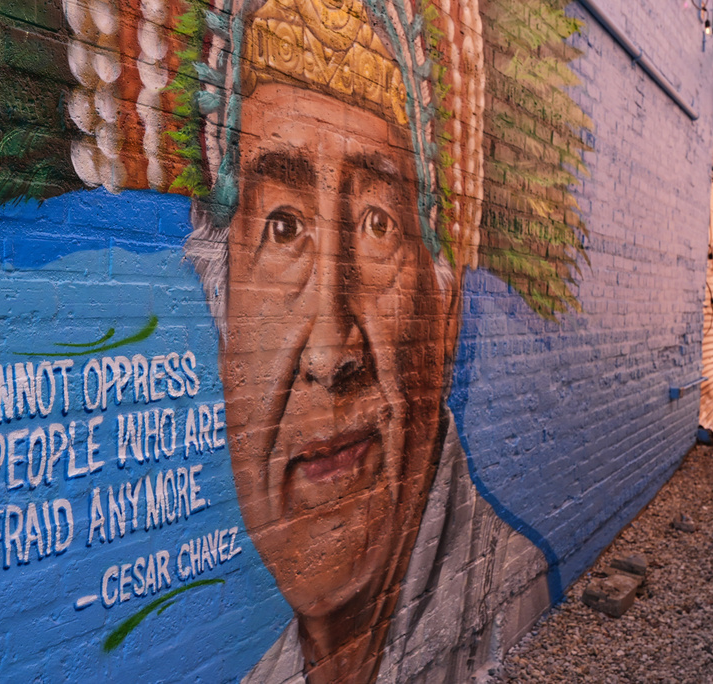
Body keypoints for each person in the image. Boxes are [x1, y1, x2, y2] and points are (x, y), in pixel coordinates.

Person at [177, 0, 553, 680]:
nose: (330, 352)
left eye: (379, 225)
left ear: (445, 317)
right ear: (223, 318)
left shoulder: (505, 602)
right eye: (283, 229)